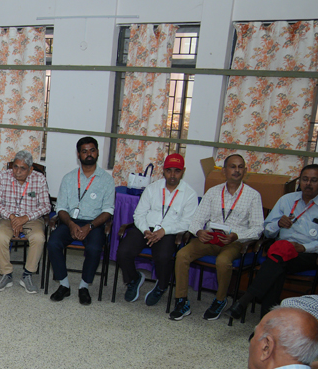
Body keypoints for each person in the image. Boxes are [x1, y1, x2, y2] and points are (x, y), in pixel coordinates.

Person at [229, 164, 318, 321]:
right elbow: (267, 230)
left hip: (306, 255)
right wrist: (277, 224)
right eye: (305, 179)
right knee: (279, 262)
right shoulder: (286, 200)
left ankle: (246, 300)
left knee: (276, 261)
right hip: (280, 250)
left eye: (314, 180)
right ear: (299, 182)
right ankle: (267, 323)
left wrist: (303, 247)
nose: (308, 184)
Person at [169, 154, 264, 321]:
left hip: (233, 242)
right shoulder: (213, 192)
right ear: (224, 171)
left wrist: (237, 236)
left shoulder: (253, 196)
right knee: (182, 254)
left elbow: (257, 229)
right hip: (209, 239)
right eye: (232, 167)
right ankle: (181, 301)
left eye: (240, 167)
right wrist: (199, 232)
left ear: (245, 171)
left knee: (223, 261)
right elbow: (197, 219)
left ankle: (220, 300)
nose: (236, 170)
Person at [117, 153, 199, 306]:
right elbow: (139, 214)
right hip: (146, 228)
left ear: (183, 171)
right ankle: (133, 279)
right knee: (123, 252)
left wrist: (164, 231)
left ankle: (161, 286)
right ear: (163, 170)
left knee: (163, 257)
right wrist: (145, 230)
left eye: (177, 171)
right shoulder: (152, 188)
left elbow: (188, 223)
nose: (172, 175)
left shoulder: (189, 194)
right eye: (169, 170)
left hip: (170, 232)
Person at [47, 136, 116, 305]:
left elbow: (108, 211)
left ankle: (84, 287)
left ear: (97, 152)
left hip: (94, 224)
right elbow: (61, 207)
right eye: (84, 151)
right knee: (53, 243)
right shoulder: (69, 178)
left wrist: (90, 226)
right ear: (78, 155)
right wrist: (70, 224)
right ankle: (64, 285)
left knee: (94, 248)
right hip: (70, 221)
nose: (89, 154)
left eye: (92, 150)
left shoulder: (107, 180)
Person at [0, 150, 51, 294]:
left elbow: (46, 206)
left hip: (31, 219)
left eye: (22, 168)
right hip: (7, 218)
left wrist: (25, 218)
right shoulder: (3, 176)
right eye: (15, 167)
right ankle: (7, 274)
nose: (17, 171)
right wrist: (12, 217)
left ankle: (27, 274)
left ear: (30, 170)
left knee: (38, 238)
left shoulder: (39, 179)